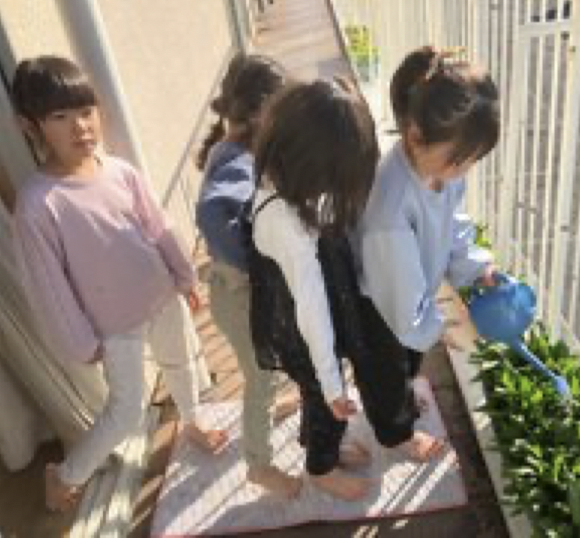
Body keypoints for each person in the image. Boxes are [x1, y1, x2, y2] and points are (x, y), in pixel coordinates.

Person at [11, 55, 228, 513]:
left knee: (182, 364)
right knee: (126, 412)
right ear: (30, 126)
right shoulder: (38, 204)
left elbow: (158, 226)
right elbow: (50, 286)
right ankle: (65, 475)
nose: (80, 126)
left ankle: (191, 421)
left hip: (162, 296)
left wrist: (184, 276)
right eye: (60, 117)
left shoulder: (119, 171)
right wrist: (80, 341)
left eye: (85, 111)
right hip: (113, 326)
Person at [250, 78, 439, 502]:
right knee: (322, 399)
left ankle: (344, 437)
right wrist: (332, 383)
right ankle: (321, 467)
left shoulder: (288, 175)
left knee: (339, 376)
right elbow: (311, 306)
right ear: (314, 168)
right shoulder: (285, 223)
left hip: (322, 284)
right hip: (299, 317)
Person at [351, 46, 499, 415]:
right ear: (416, 136)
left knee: (408, 362)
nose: (466, 171)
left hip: (412, 297)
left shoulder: (439, 170)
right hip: (382, 308)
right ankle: (396, 433)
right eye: (461, 160)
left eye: (474, 160)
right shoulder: (390, 210)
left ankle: (402, 396)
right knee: (386, 374)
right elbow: (400, 308)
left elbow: (453, 222)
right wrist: (439, 328)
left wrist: (476, 266)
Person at [195, 53, 301, 498]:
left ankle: (275, 403)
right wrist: (252, 261)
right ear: (263, 114)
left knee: (272, 367)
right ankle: (259, 466)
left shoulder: (231, 148)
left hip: (237, 292)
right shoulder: (239, 161)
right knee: (260, 379)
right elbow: (213, 211)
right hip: (241, 297)